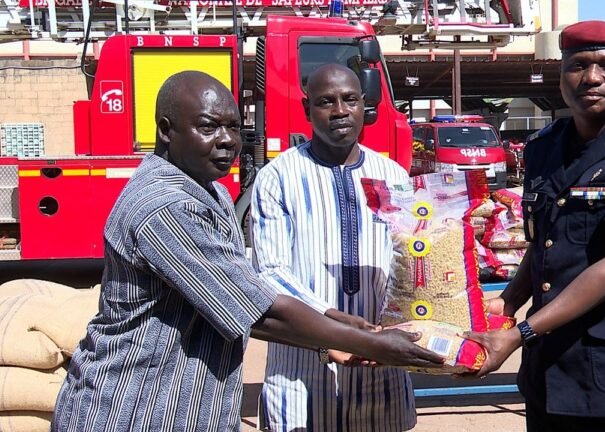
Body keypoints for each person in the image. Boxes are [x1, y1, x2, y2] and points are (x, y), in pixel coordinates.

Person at [51, 71, 443, 432]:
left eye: (234, 127)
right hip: (137, 407)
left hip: (189, 405)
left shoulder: (212, 192)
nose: (226, 140)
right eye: (208, 126)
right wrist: (369, 341)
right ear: (166, 131)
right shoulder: (168, 206)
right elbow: (259, 308)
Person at [463, 20, 605, 432]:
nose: (592, 77)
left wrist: (518, 334)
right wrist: (508, 301)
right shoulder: (544, 147)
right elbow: (545, 244)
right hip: (552, 367)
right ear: (561, 75)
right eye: (578, 65)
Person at [250, 64, 416, 431]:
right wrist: (330, 324)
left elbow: (409, 261)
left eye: (349, 100)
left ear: (364, 106)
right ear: (308, 110)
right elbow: (271, 273)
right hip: (303, 372)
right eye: (327, 102)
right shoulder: (278, 177)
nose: (340, 111)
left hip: (381, 368)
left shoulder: (392, 176)